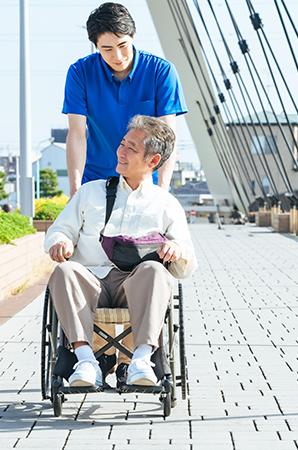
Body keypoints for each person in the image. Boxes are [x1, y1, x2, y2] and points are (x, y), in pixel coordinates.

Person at [45, 115, 196, 388]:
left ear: (152, 161)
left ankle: (141, 360)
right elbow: (60, 229)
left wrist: (177, 248)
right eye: (122, 144)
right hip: (90, 280)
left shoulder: (166, 204)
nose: (121, 152)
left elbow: (187, 261)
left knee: (155, 270)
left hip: (135, 286)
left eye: (131, 148)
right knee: (64, 271)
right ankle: (86, 361)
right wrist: (60, 241)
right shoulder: (90, 192)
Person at [62, 2, 187, 196]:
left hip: (148, 185)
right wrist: (75, 191)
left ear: (133, 37)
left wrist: (161, 192)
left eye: (123, 46)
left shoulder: (161, 71)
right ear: (96, 46)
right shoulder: (80, 73)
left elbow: (167, 138)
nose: (117, 56)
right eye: (107, 49)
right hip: (97, 183)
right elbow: (77, 134)